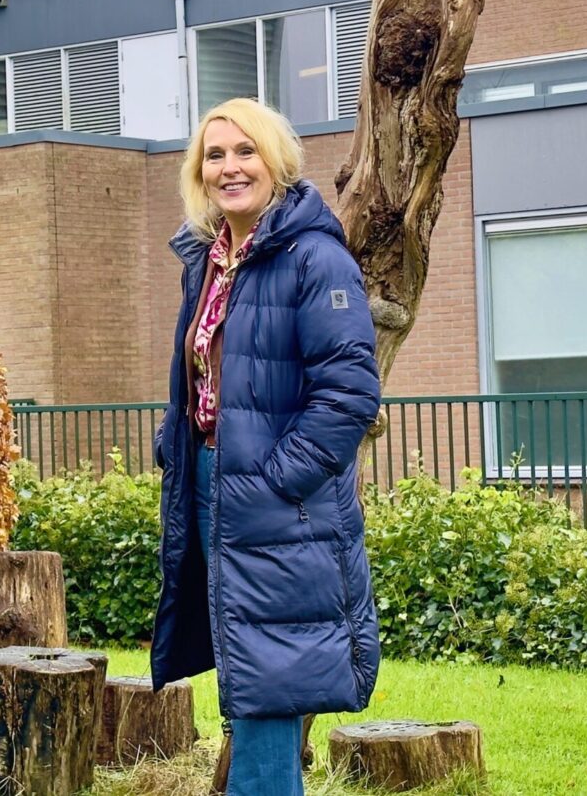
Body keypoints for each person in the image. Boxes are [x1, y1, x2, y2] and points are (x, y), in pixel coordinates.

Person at [149, 98, 383, 794]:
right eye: (215, 156)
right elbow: (202, 376)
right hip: (211, 484)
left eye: (245, 151)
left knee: (270, 683)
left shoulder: (315, 257)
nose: (230, 167)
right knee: (248, 673)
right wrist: (176, 445)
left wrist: (274, 482)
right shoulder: (210, 259)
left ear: (276, 161)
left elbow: (349, 398)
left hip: (280, 504)